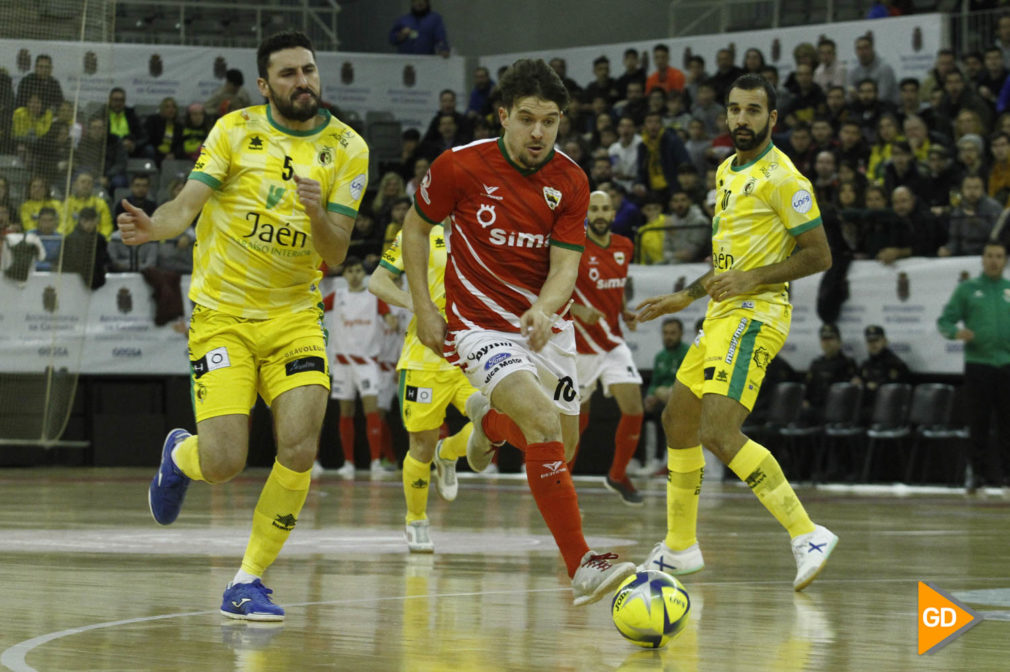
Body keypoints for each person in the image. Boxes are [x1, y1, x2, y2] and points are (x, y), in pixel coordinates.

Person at [117, 30, 369, 621]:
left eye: (308, 70)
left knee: (300, 449)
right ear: (264, 85)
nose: (302, 81)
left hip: (295, 319)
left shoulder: (348, 148)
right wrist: (156, 228)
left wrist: (314, 211)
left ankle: (247, 580)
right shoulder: (234, 130)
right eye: (288, 74)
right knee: (226, 461)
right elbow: (184, 207)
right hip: (222, 317)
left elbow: (335, 253)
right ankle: (181, 456)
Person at [401, 58, 636, 606]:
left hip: (544, 325)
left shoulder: (571, 180)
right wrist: (423, 308)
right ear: (504, 115)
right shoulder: (460, 167)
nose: (538, 132)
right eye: (527, 118)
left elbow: (565, 268)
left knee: (562, 440)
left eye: (550, 121)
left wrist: (545, 309)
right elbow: (415, 229)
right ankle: (581, 563)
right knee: (542, 421)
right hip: (479, 325)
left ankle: (485, 424)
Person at [634, 74, 838, 591]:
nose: (741, 119)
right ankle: (680, 548)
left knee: (718, 432)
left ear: (772, 118)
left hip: (758, 313)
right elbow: (729, 261)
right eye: (734, 110)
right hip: (722, 314)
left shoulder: (784, 178)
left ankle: (806, 532)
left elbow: (819, 255)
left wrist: (753, 278)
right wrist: (686, 295)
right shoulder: (726, 171)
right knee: (679, 421)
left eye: (753, 110)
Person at [369, 224, 479, 551]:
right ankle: (416, 520)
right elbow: (377, 281)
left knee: (497, 421)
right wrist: (416, 302)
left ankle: (449, 454)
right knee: (420, 446)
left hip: (473, 352)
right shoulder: (416, 233)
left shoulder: (485, 229)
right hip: (425, 357)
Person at [567, 190, 643, 505]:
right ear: (587, 214)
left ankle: (617, 474)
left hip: (612, 342)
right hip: (579, 347)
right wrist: (577, 309)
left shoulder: (625, 246)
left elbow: (618, 285)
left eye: (605, 209)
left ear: (613, 214)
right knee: (576, 419)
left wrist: (623, 310)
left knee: (635, 409)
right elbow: (548, 290)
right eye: (594, 209)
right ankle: (562, 482)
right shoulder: (573, 247)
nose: (599, 214)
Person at [938, 241, 1010, 491]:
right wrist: (956, 333)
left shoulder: (1009, 289)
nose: (994, 261)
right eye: (989, 256)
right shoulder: (968, 289)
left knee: (1007, 425)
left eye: (999, 256)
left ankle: (1006, 477)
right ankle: (978, 476)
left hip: (1006, 366)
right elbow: (945, 321)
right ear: (982, 259)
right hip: (978, 365)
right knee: (978, 423)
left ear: (1005, 261)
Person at [327, 257, 398, 479]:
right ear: (344, 275)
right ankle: (348, 462)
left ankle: (375, 462)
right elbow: (316, 308)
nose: (355, 275)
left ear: (364, 274)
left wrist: (391, 321)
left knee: (372, 410)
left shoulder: (374, 298)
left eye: (358, 270)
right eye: (350, 271)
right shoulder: (337, 296)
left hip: (367, 363)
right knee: (346, 411)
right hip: (343, 364)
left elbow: (391, 322)